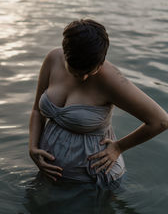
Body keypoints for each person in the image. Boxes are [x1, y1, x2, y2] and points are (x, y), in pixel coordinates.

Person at [29, 18, 168, 192]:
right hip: (49, 174)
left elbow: (161, 121)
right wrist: (33, 147)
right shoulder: (53, 59)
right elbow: (36, 111)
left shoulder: (112, 81)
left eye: (90, 71)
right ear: (65, 54)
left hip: (93, 181)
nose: (84, 77)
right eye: (77, 72)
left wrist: (118, 147)